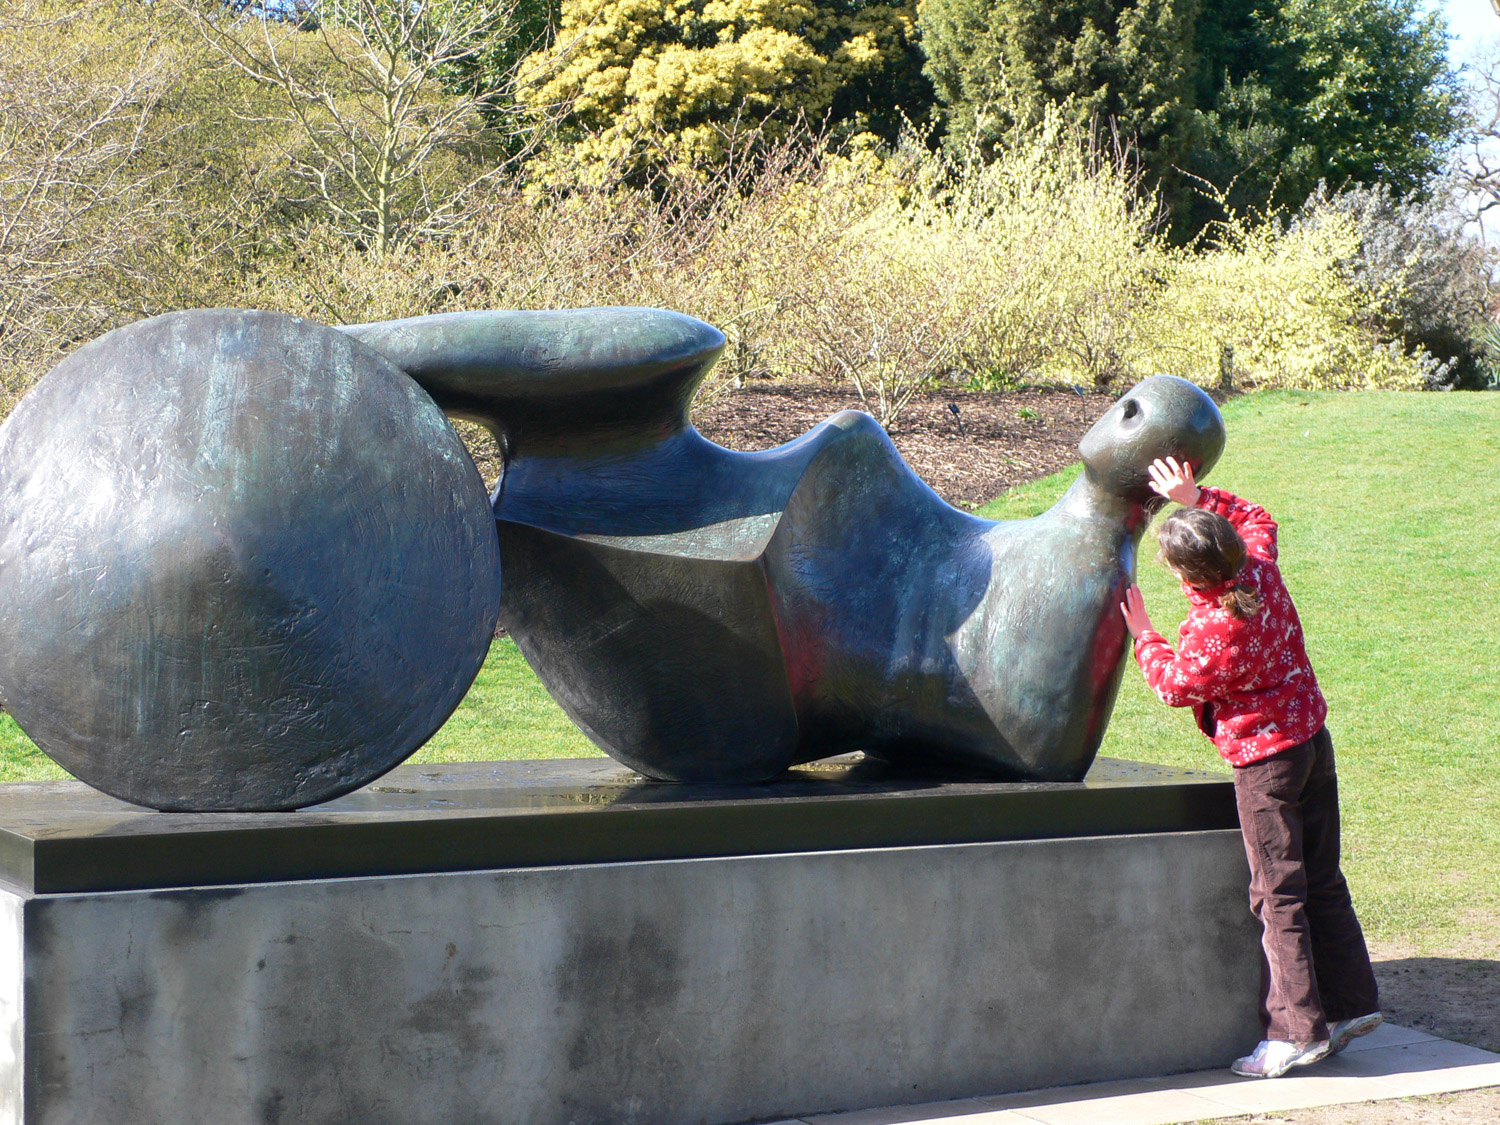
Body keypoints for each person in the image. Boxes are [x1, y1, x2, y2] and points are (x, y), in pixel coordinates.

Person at [1118, 456, 1382, 1080]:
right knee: (1321, 879)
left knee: (1277, 896)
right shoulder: (1258, 565)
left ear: (1186, 573)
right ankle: (1351, 1006)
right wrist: (1196, 496)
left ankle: (1294, 1032)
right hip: (1314, 743)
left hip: (1267, 768)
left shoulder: (1214, 631)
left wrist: (1144, 633)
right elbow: (1256, 517)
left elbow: (1176, 684)